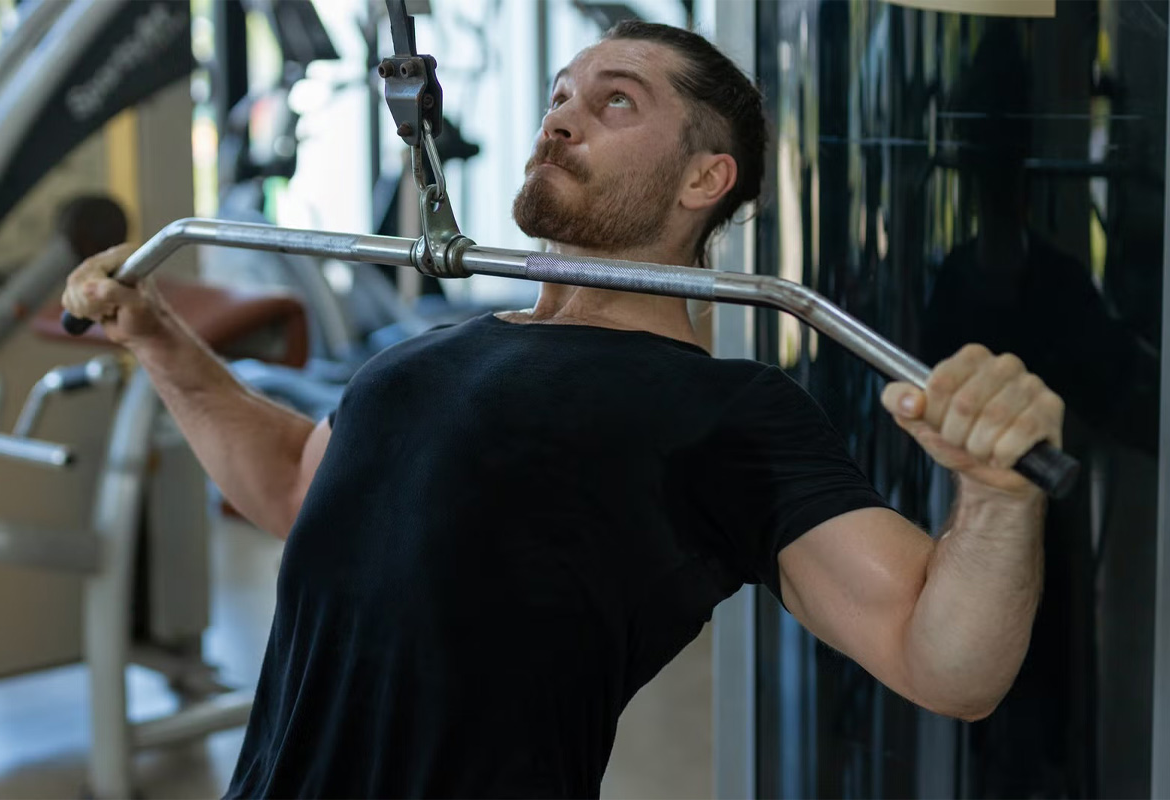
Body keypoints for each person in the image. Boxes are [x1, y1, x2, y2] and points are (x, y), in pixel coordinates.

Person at [63, 21, 1064, 799]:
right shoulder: (435, 346)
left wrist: (996, 496)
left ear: (704, 179)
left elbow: (943, 663)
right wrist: (156, 336)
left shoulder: (724, 410)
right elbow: (293, 487)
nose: (561, 118)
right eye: (559, 96)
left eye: (615, 101)